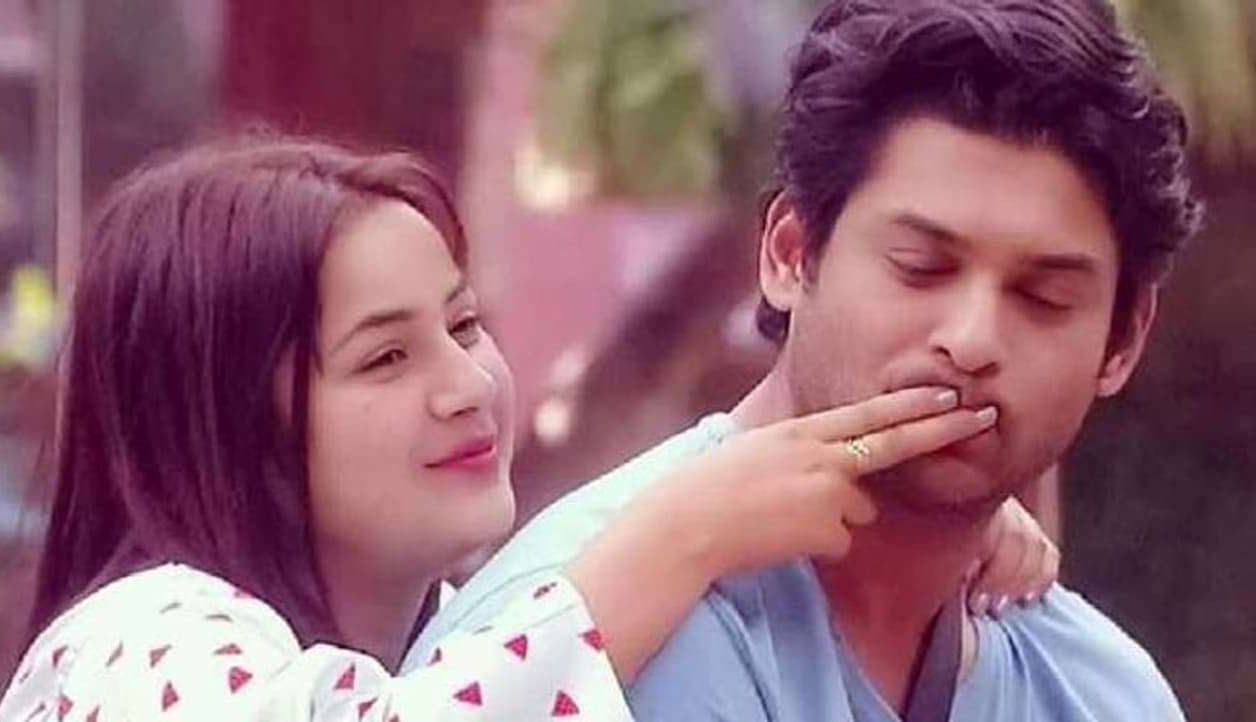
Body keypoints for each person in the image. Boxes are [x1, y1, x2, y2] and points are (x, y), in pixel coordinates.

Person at [0, 138, 1053, 721]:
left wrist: (930, 524)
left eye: (464, 325)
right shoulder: (136, 643)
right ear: (226, 420)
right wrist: (682, 533)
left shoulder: (458, 624)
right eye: (385, 358)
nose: (466, 385)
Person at [412, 1, 1202, 719]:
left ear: (1123, 340)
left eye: (1043, 297)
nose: (971, 339)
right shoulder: (571, 652)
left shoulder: (1101, 692)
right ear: (790, 254)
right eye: (921, 267)